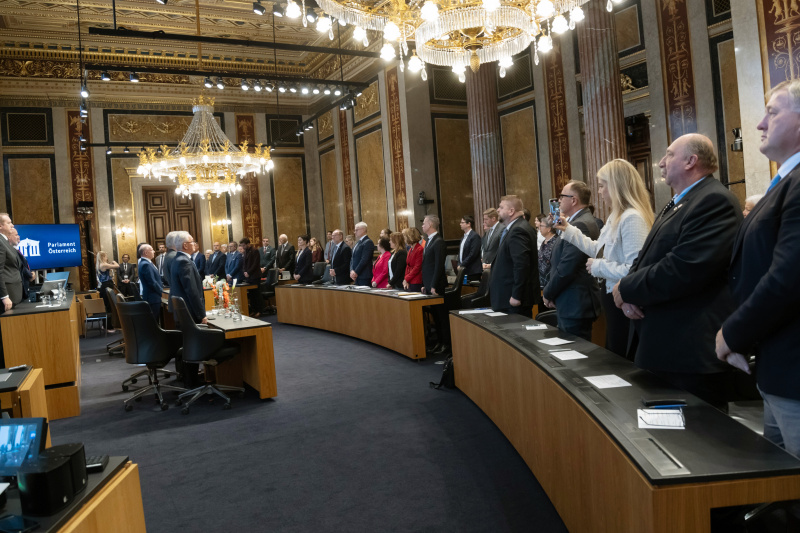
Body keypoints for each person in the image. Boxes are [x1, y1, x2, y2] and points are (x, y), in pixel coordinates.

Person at [613, 133, 742, 411]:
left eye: (669, 154)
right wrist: (629, 290)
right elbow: (645, 258)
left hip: (689, 354)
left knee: (699, 445)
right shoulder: (677, 202)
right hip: (665, 347)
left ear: (691, 161)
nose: (660, 162)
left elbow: (684, 267)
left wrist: (626, 289)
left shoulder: (713, 201)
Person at [716, 79, 800, 455]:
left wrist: (732, 333)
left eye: (772, 112)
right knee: (778, 488)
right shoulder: (784, 182)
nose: (759, 125)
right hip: (776, 365)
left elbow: (787, 277)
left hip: (794, 368)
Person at [553, 160, 654, 357]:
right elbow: (598, 249)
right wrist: (567, 229)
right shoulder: (615, 216)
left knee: (623, 359)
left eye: (602, 186)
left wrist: (598, 267)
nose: (599, 192)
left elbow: (635, 270)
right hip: (614, 299)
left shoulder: (631, 217)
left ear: (616, 186)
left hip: (626, 300)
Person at [542, 181, 602, 340]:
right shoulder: (576, 221)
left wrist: (548, 293)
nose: (559, 200)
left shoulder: (581, 224)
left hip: (576, 302)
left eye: (562, 196)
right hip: (572, 300)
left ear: (574, 200)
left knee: (576, 356)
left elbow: (568, 267)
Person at [489, 196, 539, 317]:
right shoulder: (517, 227)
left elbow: (521, 265)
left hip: (513, 299)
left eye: (501, 207)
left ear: (511, 211)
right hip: (508, 297)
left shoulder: (518, 230)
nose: (498, 210)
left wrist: (516, 295)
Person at [168, 231, 206, 387]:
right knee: (192, 347)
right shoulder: (184, 261)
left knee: (188, 347)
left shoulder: (177, 259)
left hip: (183, 314)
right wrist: (202, 314)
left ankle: (188, 379)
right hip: (190, 314)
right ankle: (192, 383)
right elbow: (192, 291)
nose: (194, 244)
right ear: (185, 245)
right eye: (192, 241)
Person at [420, 215, 449, 354]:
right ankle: (439, 342)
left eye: (424, 223)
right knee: (435, 317)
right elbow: (427, 265)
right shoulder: (429, 241)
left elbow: (438, 266)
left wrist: (433, 285)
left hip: (436, 285)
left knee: (441, 316)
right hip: (429, 284)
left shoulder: (438, 241)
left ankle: (446, 344)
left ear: (430, 224)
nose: (422, 225)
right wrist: (425, 284)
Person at [241, 237, 266, 316]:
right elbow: (244, 263)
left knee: (257, 294)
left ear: (248, 244)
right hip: (248, 277)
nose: (243, 247)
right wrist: (244, 271)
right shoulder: (245, 251)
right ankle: (254, 310)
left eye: (244, 245)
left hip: (255, 276)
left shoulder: (255, 250)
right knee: (251, 294)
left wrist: (248, 272)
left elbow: (255, 264)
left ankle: (259, 311)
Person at [137, 244, 162, 321]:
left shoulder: (146, 263)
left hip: (152, 297)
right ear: (146, 252)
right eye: (151, 250)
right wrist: (161, 292)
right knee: (154, 321)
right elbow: (152, 282)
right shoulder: (146, 264)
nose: (154, 251)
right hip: (152, 298)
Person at [96, 251, 119, 333]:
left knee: (107, 306)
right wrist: (113, 262)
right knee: (109, 306)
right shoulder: (103, 265)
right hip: (106, 286)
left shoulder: (100, 265)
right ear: (102, 257)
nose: (107, 258)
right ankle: (108, 326)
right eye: (106, 256)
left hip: (104, 286)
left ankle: (105, 325)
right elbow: (117, 266)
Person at [457, 215, 482, 281]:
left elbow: (473, 254)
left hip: (473, 271)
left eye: (462, 222)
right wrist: (459, 264)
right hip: (464, 270)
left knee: (471, 290)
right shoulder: (463, 237)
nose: (460, 224)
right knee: (465, 289)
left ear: (469, 224)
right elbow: (460, 253)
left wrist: (462, 264)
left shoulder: (474, 236)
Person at [10, 230, 33, 300]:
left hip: (24, 288)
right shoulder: (11, 251)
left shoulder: (16, 250)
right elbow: (21, 267)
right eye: (16, 235)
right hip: (17, 290)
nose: (19, 236)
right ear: (9, 237)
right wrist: (31, 275)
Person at [349, 222, 375, 286]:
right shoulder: (358, 242)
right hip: (356, 276)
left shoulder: (368, 242)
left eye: (356, 230)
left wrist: (356, 272)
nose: (355, 232)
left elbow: (364, 259)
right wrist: (352, 270)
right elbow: (352, 258)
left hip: (364, 276)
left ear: (363, 230)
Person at [537, 216, 558, 290]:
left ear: (549, 229)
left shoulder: (555, 241)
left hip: (551, 281)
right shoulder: (544, 241)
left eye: (541, 226)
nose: (539, 228)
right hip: (542, 281)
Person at [402, 227, 423, 292]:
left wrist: (407, 279)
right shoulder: (411, 249)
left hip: (416, 281)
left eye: (405, 237)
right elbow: (408, 266)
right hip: (409, 280)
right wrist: (406, 279)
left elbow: (417, 267)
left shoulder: (419, 249)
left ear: (409, 237)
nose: (404, 239)